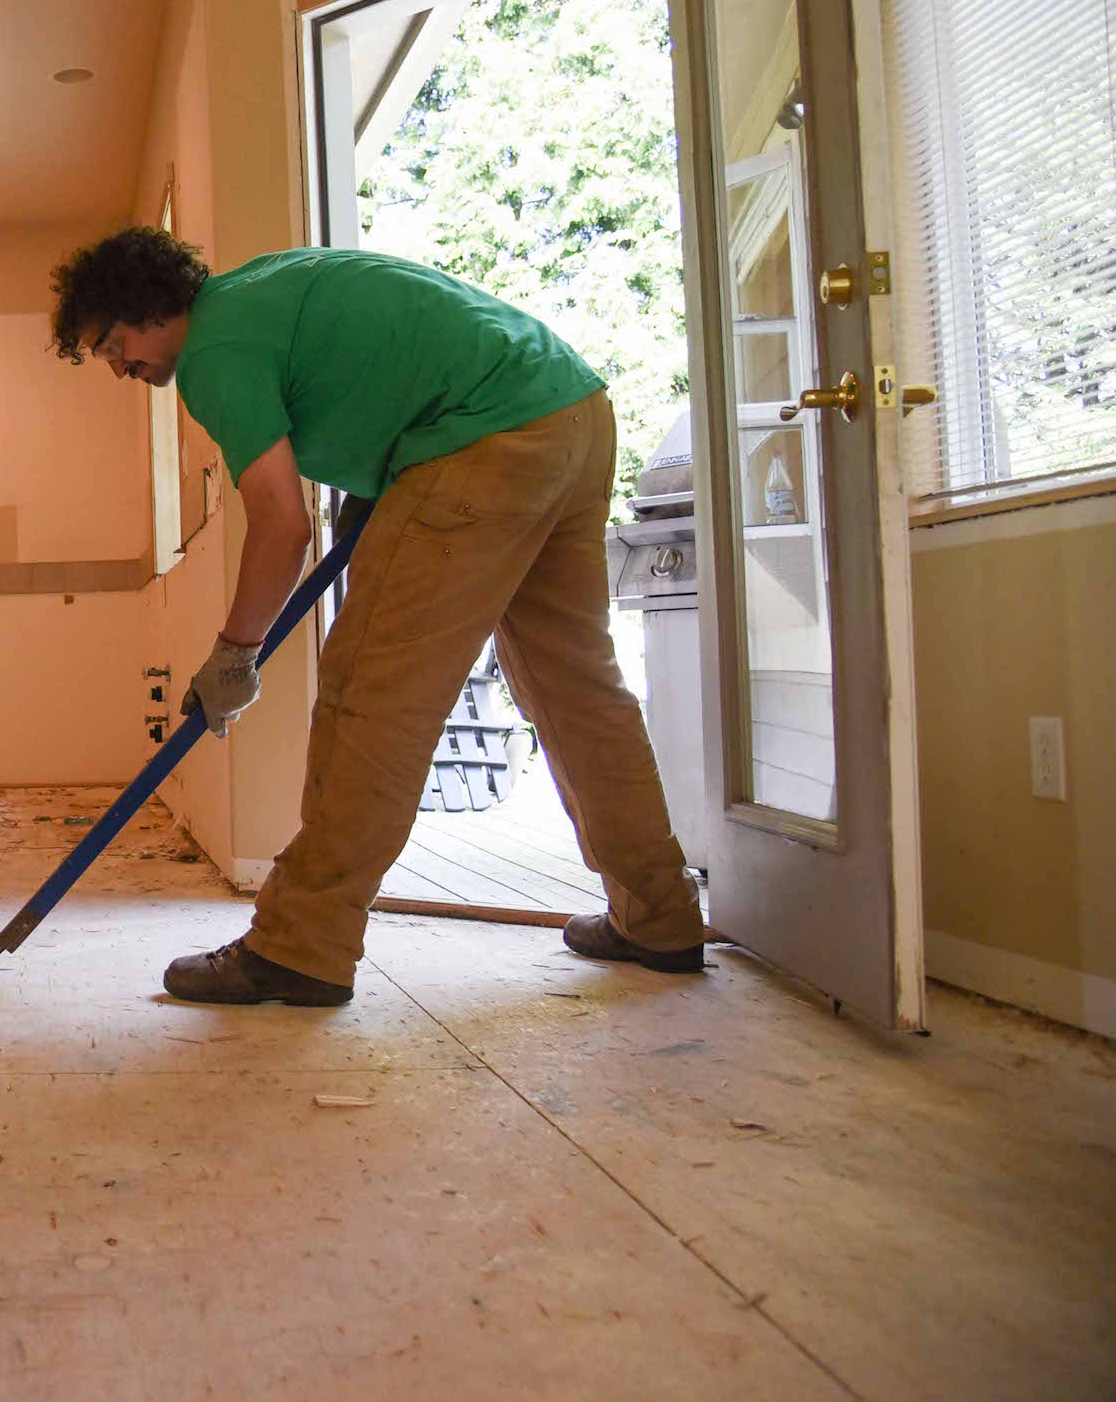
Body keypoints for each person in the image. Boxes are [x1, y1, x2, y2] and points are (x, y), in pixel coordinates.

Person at [50, 228, 704, 1006]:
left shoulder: (214, 353)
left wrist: (235, 655)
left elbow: (282, 523)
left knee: (372, 697)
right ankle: (660, 914)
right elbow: (384, 378)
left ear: (145, 307)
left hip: (481, 437)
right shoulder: (265, 288)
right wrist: (373, 494)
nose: (121, 367)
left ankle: (300, 944)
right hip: (570, 411)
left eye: (114, 344)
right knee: (577, 689)